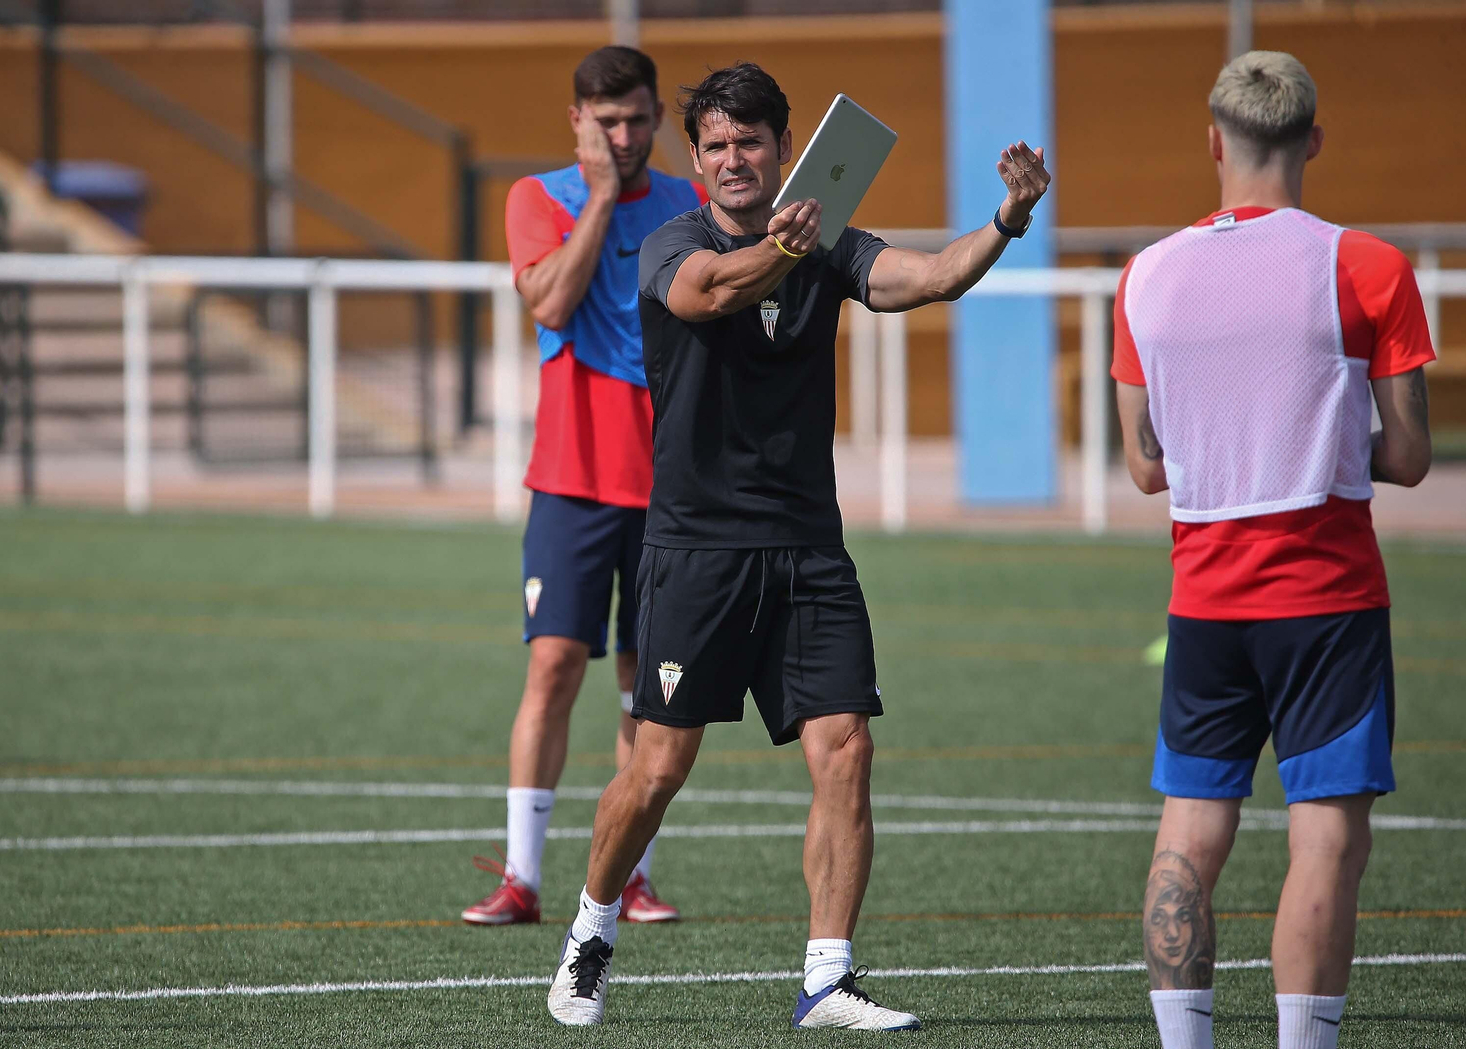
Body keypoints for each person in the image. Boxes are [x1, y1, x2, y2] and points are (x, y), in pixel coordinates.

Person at [545, 61, 1051, 1029]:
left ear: (786, 153)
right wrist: (784, 253)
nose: (734, 159)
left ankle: (827, 974)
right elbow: (711, 294)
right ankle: (592, 925)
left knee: (845, 747)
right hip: (695, 550)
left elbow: (930, 277)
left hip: (809, 547)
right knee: (656, 768)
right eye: (716, 146)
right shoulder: (670, 243)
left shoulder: (828, 245)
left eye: (751, 142)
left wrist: (1007, 217)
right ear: (695, 162)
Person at [1113, 51, 1434, 1049]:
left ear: (1213, 141)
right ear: (1313, 141)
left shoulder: (1147, 273)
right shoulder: (1366, 265)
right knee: (1326, 836)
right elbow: (1412, 455)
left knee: (1187, 832)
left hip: (1203, 602)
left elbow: (1144, 465)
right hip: (1326, 594)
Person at [463, 45, 707, 927]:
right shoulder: (538, 198)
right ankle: (523, 877)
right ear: (578, 121)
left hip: (670, 488)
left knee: (647, 686)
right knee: (556, 665)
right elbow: (551, 305)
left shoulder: (689, 204)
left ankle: (632, 874)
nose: (627, 135)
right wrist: (602, 197)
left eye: (640, 119)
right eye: (608, 121)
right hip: (568, 480)